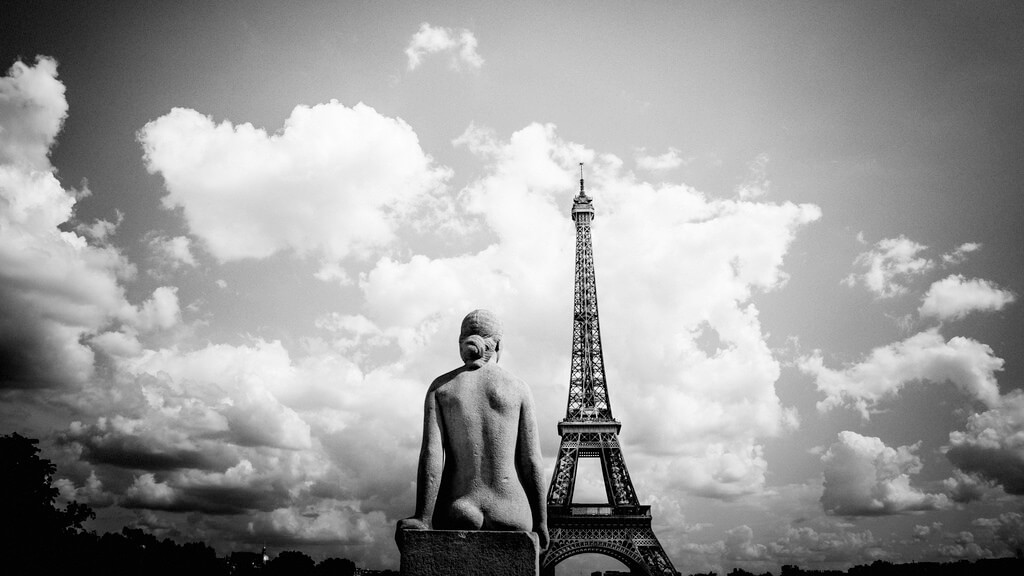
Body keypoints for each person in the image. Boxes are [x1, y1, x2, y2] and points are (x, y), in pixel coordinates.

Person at [397, 310, 549, 550]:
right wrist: (541, 522)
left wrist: (423, 517)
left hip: (458, 506)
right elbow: (532, 462)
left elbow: (432, 456)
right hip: (512, 509)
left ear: (461, 343)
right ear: (498, 344)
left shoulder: (442, 387)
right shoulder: (518, 388)